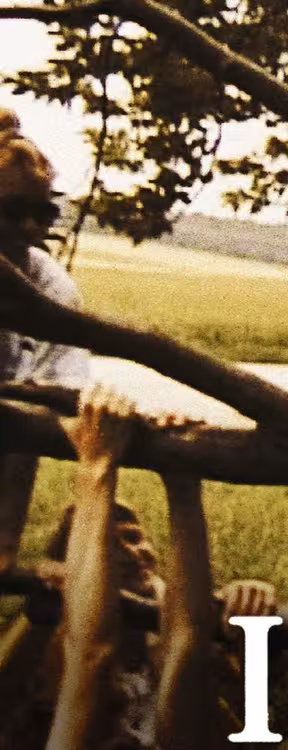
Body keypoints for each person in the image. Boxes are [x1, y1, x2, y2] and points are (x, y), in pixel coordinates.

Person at [0, 385, 279, 748]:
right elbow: (95, 656)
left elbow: (183, 646)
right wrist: (99, 467)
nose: (130, 553)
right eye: (110, 545)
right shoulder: (48, 660)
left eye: (133, 537)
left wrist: (178, 483)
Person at [0, 107, 90, 576]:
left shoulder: (50, 286)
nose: (33, 228)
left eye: (44, 212)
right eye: (14, 211)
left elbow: (54, 399)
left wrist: (5, 539)